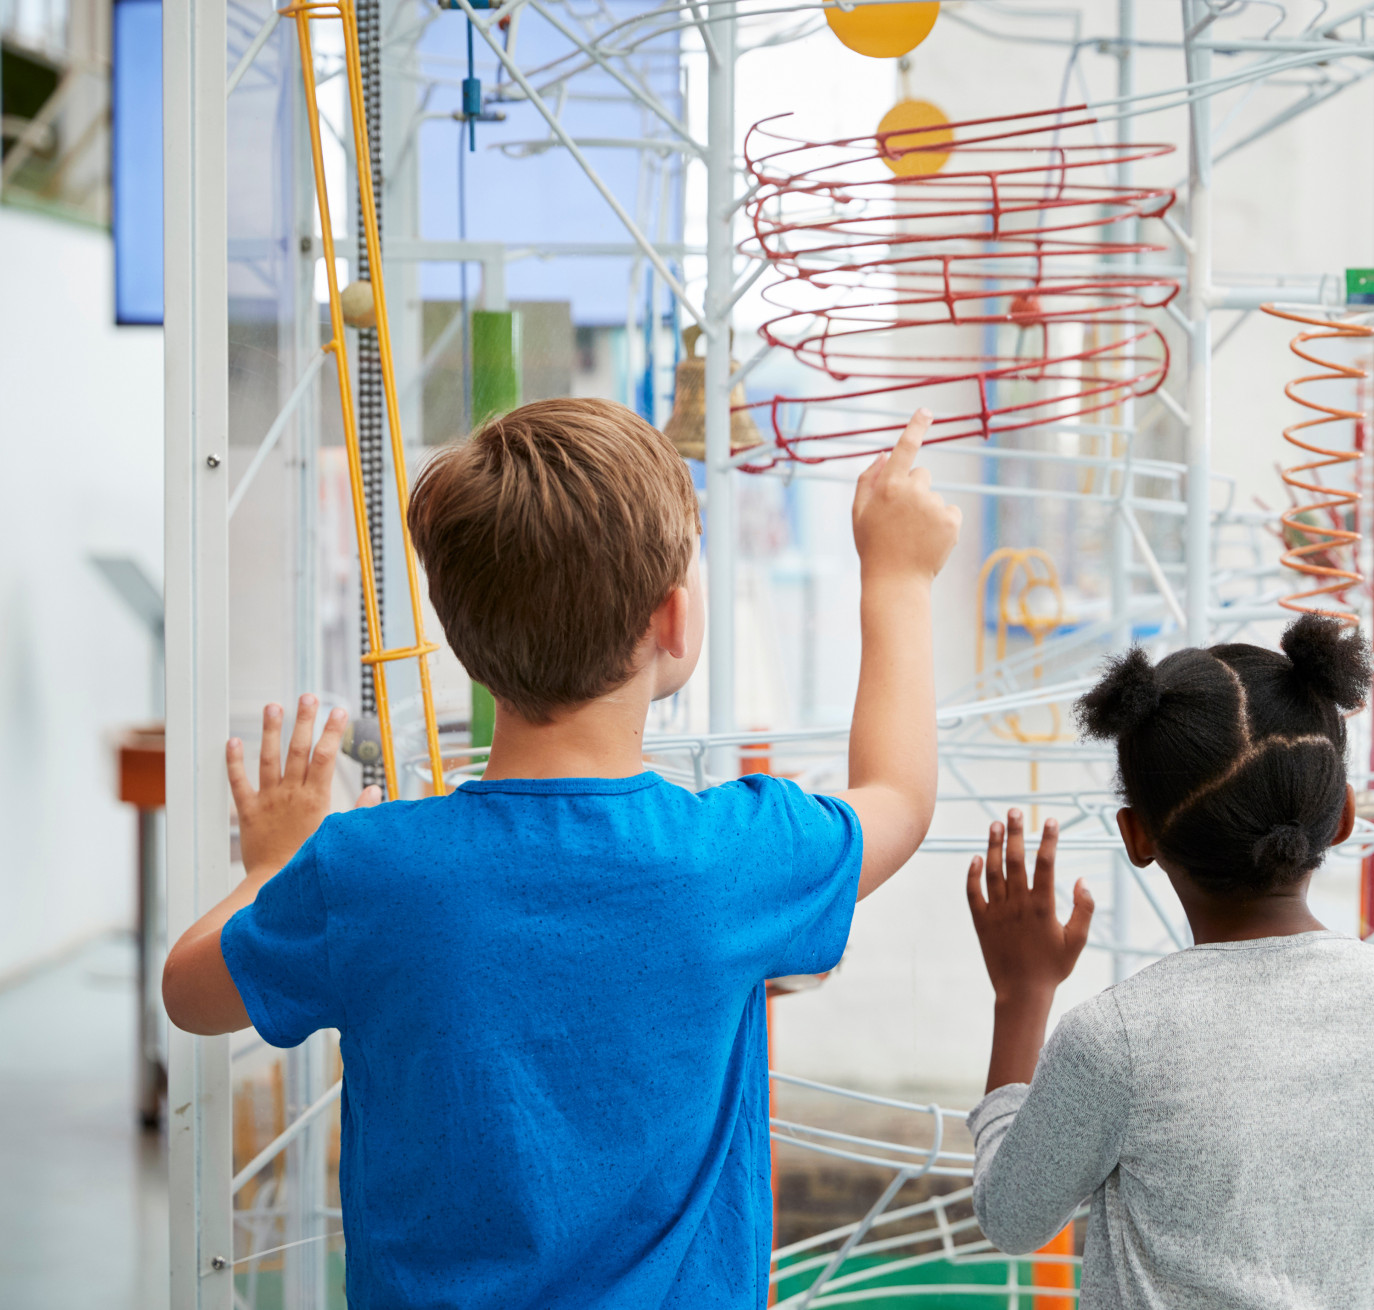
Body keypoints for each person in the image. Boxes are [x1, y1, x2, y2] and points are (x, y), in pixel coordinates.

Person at [162, 401, 961, 1308]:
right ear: (672, 620)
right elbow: (898, 796)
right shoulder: (730, 860)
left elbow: (189, 993)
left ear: (461, 630)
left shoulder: (367, 871)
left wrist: (273, 862)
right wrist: (896, 578)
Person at [964, 616, 1374, 1310]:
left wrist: (1021, 994)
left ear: (1136, 836)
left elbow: (1011, 1219)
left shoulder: (1116, 1041)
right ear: (1342, 817)